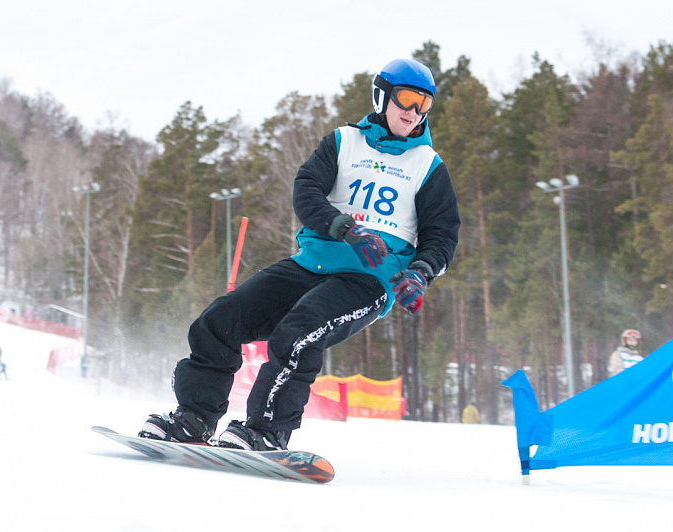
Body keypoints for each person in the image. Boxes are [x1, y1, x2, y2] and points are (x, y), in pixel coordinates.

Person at [140, 58, 460, 451]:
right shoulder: (344, 142)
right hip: (312, 263)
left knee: (298, 334)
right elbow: (306, 190)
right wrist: (343, 227)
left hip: (367, 280)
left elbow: (442, 233)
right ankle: (194, 418)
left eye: (423, 104)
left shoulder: (427, 165)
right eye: (406, 99)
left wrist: (420, 272)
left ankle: (267, 430)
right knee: (220, 320)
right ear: (382, 96)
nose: (413, 112)